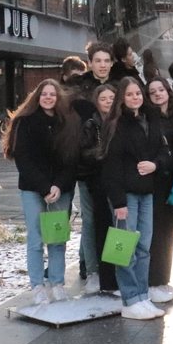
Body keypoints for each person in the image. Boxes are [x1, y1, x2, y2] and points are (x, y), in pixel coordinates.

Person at [2, 80, 80, 305]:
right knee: (36, 239)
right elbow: (23, 159)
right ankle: (37, 286)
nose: (48, 98)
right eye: (44, 94)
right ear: (37, 96)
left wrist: (58, 185)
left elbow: (71, 159)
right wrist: (45, 187)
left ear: (58, 98)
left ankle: (57, 283)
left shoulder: (67, 122)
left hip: (60, 189)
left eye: (52, 94)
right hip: (33, 189)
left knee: (57, 238)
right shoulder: (24, 122)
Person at [102, 77, 168, 320]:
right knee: (124, 248)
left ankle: (142, 296)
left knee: (143, 247)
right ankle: (130, 299)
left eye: (137, 93)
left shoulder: (150, 120)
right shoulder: (116, 124)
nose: (135, 98)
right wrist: (118, 202)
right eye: (129, 94)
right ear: (122, 97)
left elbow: (162, 151)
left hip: (146, 192)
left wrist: (155, 165)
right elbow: (111, 165)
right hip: (125, 195)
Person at [146, 77, 173, 303]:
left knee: (170, 233)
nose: (158, 94)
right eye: (152, 92)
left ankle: (163, 280)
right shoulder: (149, 120)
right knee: (156, 234)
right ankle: (153, 282)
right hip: (156, 182)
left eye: (161, 89)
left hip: (172, 183)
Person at [76, 84, 117, 294]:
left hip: (116, 182)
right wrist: (104, 154)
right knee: (91, 224)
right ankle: (92, 271)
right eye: (104, 98)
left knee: (117, 225)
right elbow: (83, 154)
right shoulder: (91, 125)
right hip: (92, 180)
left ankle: (117, 272)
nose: (108, 102)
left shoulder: (122, 123)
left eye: (112, 98)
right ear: (97, 102)